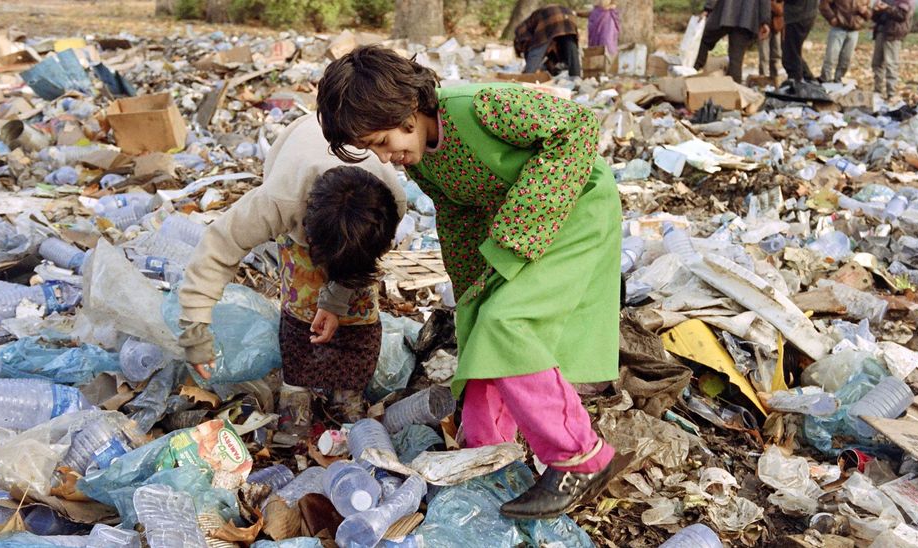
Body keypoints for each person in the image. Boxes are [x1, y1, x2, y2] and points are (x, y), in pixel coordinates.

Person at [316, 45, 629, 519]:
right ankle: (486, 457)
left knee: (508, 322)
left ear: (405, 110)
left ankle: (578, 457)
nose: (387, 156)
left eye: (383, 140)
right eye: (375, 149)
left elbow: (577, 128)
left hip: (574, 210)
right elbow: (459, 218)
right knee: (481, 325)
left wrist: (521, 228)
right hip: (517, 225)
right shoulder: (422, 162)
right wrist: (469, 294)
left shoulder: (479, 108)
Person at [177, 115, 405, 441]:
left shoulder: (390, 201)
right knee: (302, 302)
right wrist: (196, 334)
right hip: (300, 190)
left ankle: (347, 393)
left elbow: (357, 265)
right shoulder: (278, 201)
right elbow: (216, 250)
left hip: (349, 219)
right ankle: (295, 393)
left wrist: (337, 300)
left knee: (359, 306)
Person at [695, 0, 771, 83]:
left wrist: (707, 8)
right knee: (736, 60)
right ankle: (734, 90)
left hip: (725, 13)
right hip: (747, 17)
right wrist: (765, 21)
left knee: (703, 41)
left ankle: (692, 72)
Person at [514, 5, 581, 77]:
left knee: (537, 48)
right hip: (569, 15)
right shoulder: (556, 41)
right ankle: (575, 76)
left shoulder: (520, 32)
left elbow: (533, 50)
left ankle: (527, 77)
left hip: (550, 16)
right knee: (571, 49)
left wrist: (529, 69)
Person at [819, 0, 871, 82]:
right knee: (831, 58)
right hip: (838, 28)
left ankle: (838, 81)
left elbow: (870, 14)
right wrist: (831, 18)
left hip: (854, 30)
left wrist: (865, 12)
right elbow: (824, 4)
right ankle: (825, 80)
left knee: (846, 60)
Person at [871, 0, 914, 99]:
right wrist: (876, 10)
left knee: (891, 64)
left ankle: (891, 94)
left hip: (893, 34)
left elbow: (902, 16)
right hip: (881, 32)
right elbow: (875, 18)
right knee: (877, 64)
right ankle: (877, 92)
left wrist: (886, 8)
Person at [783, 0, 819, 83]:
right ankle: (808, 79)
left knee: (790, 54)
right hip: (807, 13)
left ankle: (797, 82)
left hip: (797, 15)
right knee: (793, 52)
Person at [758, 0, 784, 79]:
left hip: (776, 24)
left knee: (776, 53)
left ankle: (775, 77)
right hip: (763, 23)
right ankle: (763, 78)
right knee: (764, 55)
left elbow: (781, 9)